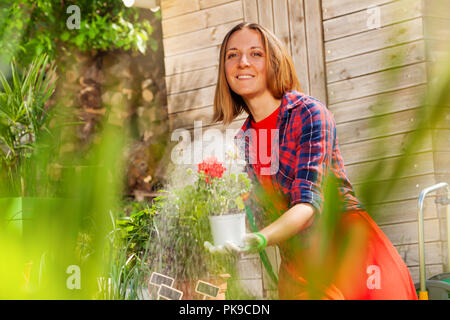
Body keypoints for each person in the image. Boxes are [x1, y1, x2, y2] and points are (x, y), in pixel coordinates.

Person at [204, 22, 418, 300]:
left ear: (274, 63)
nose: (242, 62)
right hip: (299, 266)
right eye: (232, 55)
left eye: (256, 53)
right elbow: (251, 213)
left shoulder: (309, 113)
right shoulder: (242, 142)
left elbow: (308, 203)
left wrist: (259, 239)